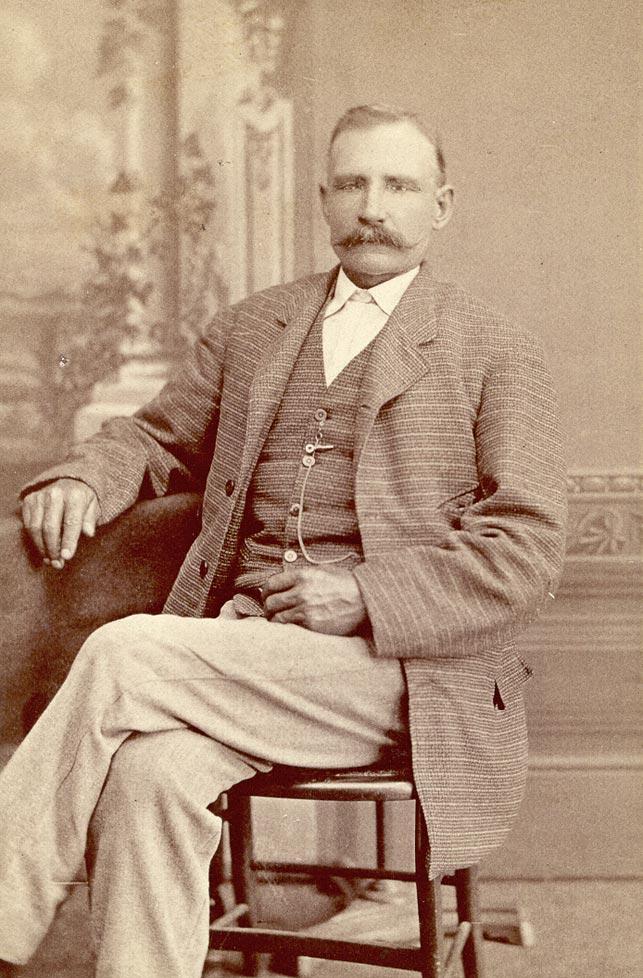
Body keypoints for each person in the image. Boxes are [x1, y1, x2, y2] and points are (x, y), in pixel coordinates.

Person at [0, 104, 566, 977]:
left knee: (122, 653)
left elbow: (526, 550)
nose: (371, 206)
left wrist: (364, 594)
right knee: (149, 778)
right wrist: (81, 478)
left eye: (398, 185)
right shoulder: (253, 328)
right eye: (352, 183)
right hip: (244, 653)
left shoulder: (494, 349)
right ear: (322, 198)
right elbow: (153, 437)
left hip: (404, 675)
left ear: (440, 206)